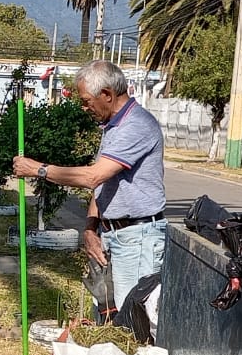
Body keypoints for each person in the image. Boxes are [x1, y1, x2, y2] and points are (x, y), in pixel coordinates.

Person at [12, 59, 166, 311]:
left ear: (106, 94)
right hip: (113, 234)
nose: (84, 108)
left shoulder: (136, 125)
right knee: (107, 313)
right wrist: (91, 228)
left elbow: (92, 177)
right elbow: (103, 184)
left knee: (134, 317)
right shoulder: (113, 127)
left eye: (86, 101)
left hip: (137, 239)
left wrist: (38, 169)